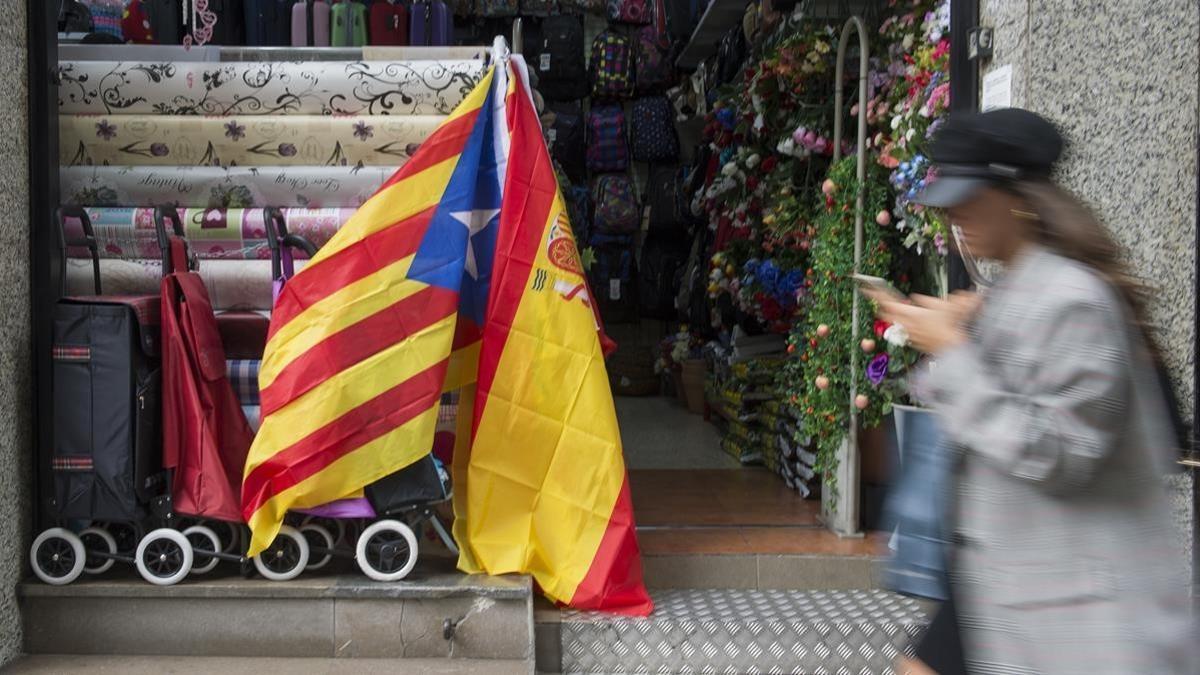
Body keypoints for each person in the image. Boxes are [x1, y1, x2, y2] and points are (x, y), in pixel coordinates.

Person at [869, 108, 1197, 674]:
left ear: (1018, 198)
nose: (952, 215)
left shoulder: (1072, 297)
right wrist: (965, 332)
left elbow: (1057, 453)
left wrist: (952, 349)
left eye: (967, 197)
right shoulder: (1018, 288)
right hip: (1021, 586)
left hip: (1082, 618)